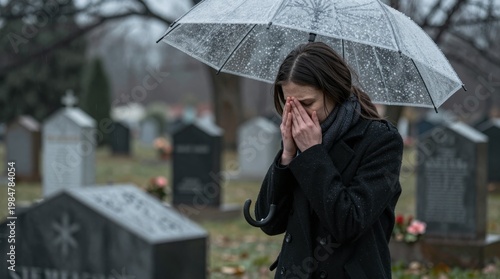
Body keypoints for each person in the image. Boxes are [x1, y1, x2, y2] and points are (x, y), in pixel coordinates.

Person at [255, 42, 404, 279]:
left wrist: (313, 153)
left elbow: (349, 223)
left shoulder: (381, 140)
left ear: (334, 91)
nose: (298, 115)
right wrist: (287, 156)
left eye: (307, 104)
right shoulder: (298, 142)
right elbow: (268, 222)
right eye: (290, 105)